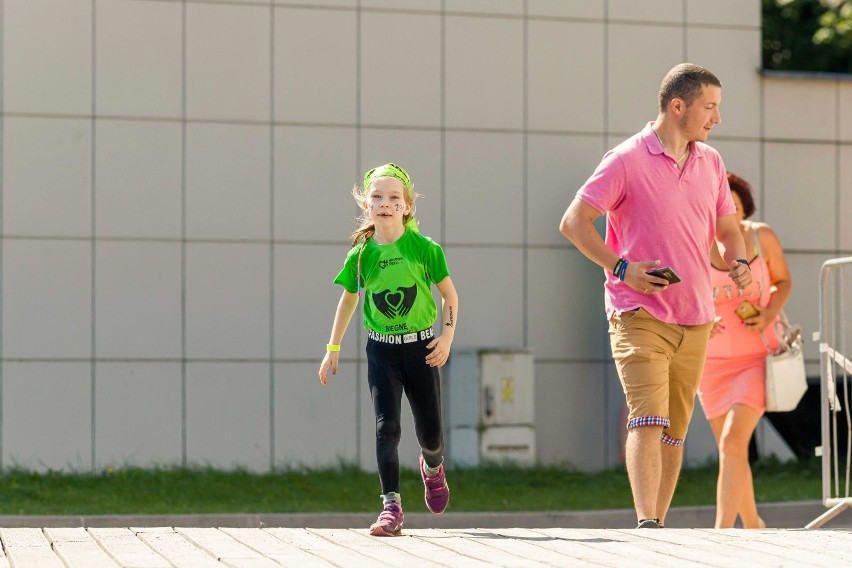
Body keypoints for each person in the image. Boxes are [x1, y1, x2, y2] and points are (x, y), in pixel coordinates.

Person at [559, 63, 753, 529]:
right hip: (637, 311)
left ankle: (657, 530)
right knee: (648, 417)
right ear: (677, 105)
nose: (717, 119)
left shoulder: (711, 163)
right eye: (710, 107)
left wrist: (739, 261)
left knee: (674, 432)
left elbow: (727, 228)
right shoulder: (625, 159)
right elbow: (573, 223)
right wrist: (622, 267)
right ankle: (647, 524)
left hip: (696, 317)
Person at [318, 163, 458, 537]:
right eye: (377, 197)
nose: (385, 203)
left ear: (407, 206)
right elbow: (348, 301)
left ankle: (432, 468)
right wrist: (333, 347)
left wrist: (445, 338)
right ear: (366, 204)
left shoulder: (424, 249)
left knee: (431, 435)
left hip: (421, 350)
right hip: (382, 351)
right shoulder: (361, 256)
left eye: (394, 198)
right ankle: (391, 507)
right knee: (387, 428)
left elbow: (449, 296)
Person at [697, 172, 791, 529]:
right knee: (730, 448)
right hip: (710, 364)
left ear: (743, 207)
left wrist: (768, 313)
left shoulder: (761, 236)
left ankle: (722, 533)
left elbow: (783, 281)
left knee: (733, 443)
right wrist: (702, 316)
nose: (727, 214)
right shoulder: (697, 241)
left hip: (756, 358)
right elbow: (682, 291)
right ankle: (753, 525)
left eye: (732, 206)